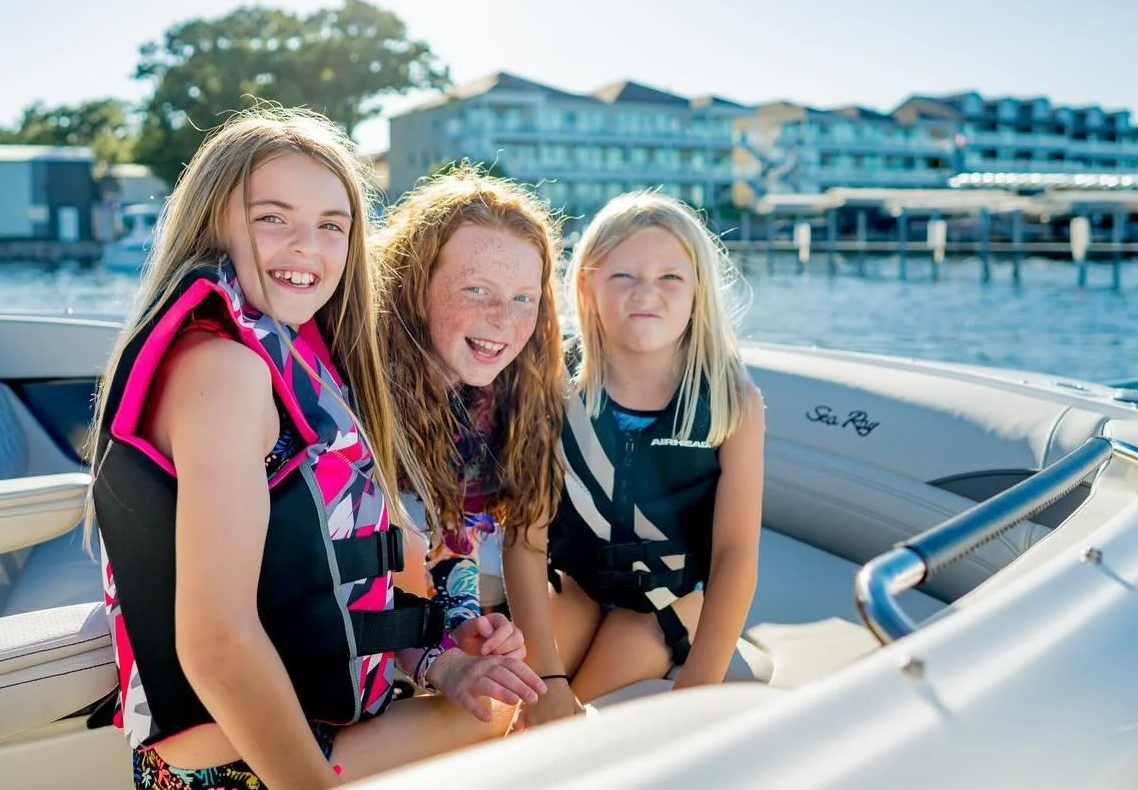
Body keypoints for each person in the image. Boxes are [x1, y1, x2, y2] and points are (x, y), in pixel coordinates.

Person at [87, 110, 546, 790]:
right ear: (214, 222)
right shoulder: (225, 372)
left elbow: (324, 587)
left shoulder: (295, 352)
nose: (308, 247)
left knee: (492, 705)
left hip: (314, 715)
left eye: (332, 225)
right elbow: (217, 648)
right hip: (229, 765)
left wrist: (441, 662)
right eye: (273, 217)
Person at [372, 167, 578, 729]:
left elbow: (453, 548)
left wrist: (464, 624)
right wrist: (440, 661)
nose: (504, 321)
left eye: (522, 297)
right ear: (414, 283)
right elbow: (337, 581)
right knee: (488, 726)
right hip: (330, 673)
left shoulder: (486, 402)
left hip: (404, 651)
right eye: (476, 289)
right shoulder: (355, 395)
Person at [544, 190, 765, 706]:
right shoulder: (551, 386)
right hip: (575, 584)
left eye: (670, 278)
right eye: (623, 276)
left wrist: (699, 684)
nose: (648, 292)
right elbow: (527, 536)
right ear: (588, 285)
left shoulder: (733, 402)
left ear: (698, 293)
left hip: (669, 598)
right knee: (524, 697)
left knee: (586, 702)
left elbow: (736, 555)